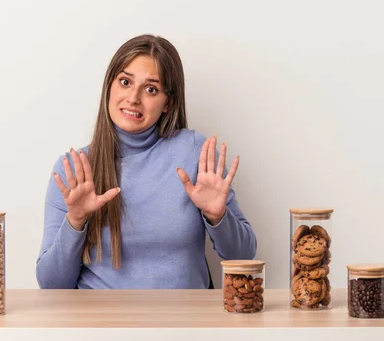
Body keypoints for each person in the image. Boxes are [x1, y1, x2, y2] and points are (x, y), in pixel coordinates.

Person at [36, 34, 257, 289]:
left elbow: (244, 256)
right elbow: (51, 285)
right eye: (125, 82)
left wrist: (217, 216)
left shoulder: (194, 151)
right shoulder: (74, 170)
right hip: (101, 324)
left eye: (150, 89)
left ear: (167, 103)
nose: (133, 98)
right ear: (109, 86)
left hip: (186, 324)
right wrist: (75, 223)